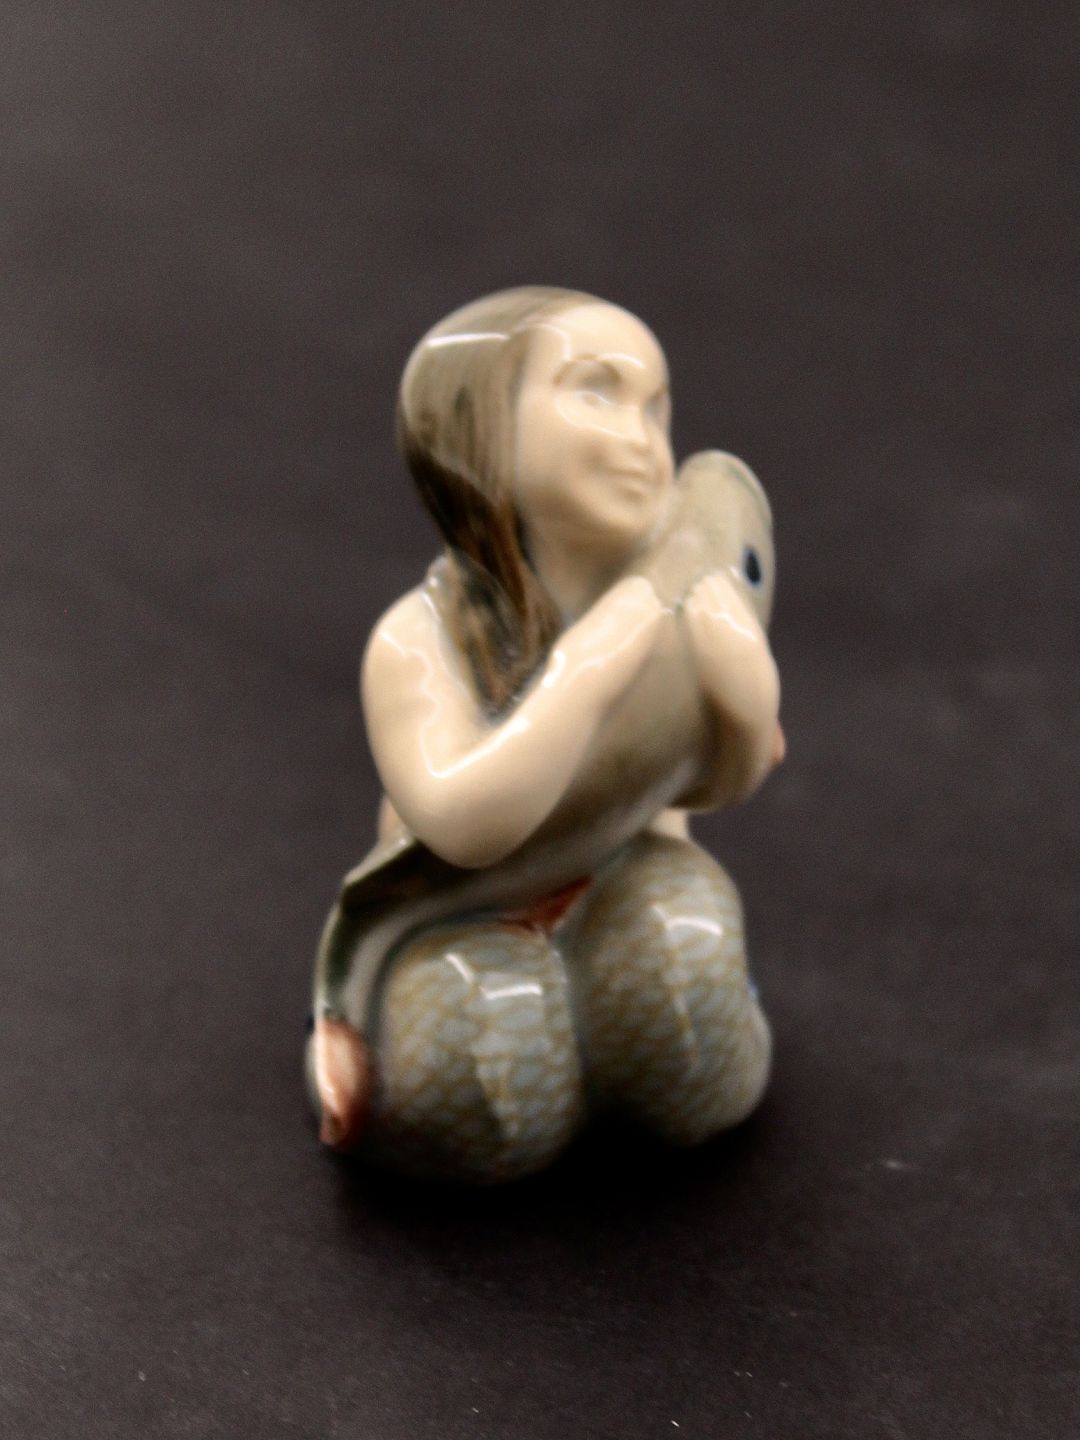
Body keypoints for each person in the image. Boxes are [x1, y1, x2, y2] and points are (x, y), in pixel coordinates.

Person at [308, 287, 784, 1182]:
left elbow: (713, 782)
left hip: (624, 875)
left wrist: (745, 692)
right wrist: (589, 669)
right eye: (596, 392)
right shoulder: (417, 640)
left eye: (656, 408)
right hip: (461, 910)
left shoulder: (678, 596)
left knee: (683, 994)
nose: (640, 437)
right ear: (477, 430)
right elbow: (464, 822)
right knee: (487, 1075)